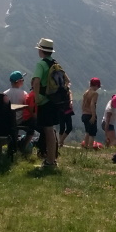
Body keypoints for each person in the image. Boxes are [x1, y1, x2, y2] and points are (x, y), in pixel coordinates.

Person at [29, 38, 67, 169]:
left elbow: (36, 81)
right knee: (50, 130)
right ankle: (51, 159)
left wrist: (36, 98)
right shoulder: (55, 63)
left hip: (44, 101)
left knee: (48, 130)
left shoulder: (41, 64)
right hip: (54, 100)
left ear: (41, 50)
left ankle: (50, 162)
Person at [80, 78, 101, 150]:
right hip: (90, 114)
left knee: (87, 131)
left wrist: (83, 111)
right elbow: (92, 104)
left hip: (84, 114)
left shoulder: (85, 93)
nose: (98, 88)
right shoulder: (94, 94)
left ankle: (85, 146)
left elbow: (83, 104)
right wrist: (93, 115)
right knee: (92, 133)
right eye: (98, 86)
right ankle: (91, 147)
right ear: (95, 85)